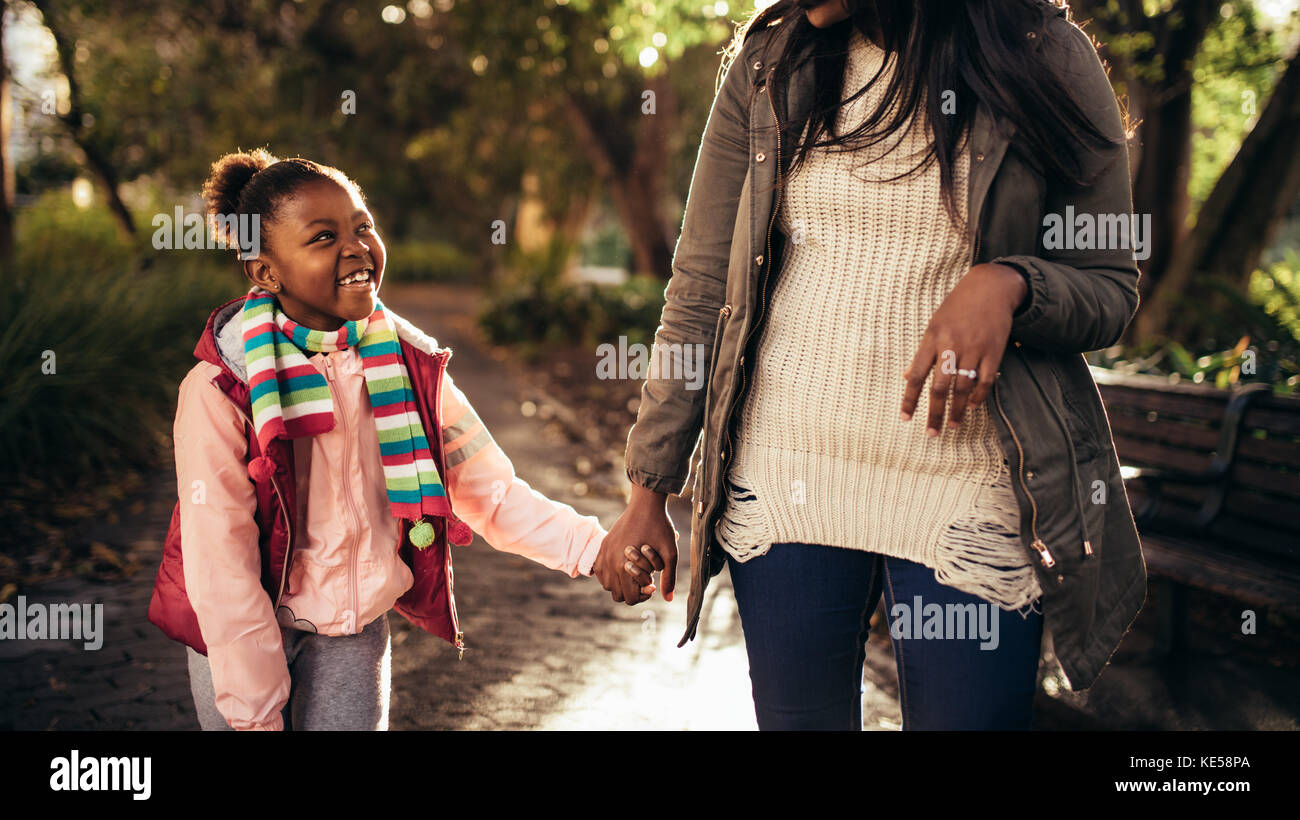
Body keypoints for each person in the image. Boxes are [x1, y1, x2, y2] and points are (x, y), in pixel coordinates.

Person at [595, 0, 1147, 730]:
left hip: (968, 501)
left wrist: (1010, 283)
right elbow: (701, 290)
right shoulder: (772, 62)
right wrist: (649, 488)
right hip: (787, 489)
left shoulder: (1045, 57)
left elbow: (1110, 286)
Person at [146, 149, 650, 730]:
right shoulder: (220, 388)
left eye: (364, 226)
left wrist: (594, 548)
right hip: (235, 637)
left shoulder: (407, 366)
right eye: (323, 237)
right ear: (266, 272)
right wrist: (258, 715)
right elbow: (220, 564)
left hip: (353, 634)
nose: (356, 246)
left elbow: (490, 490)